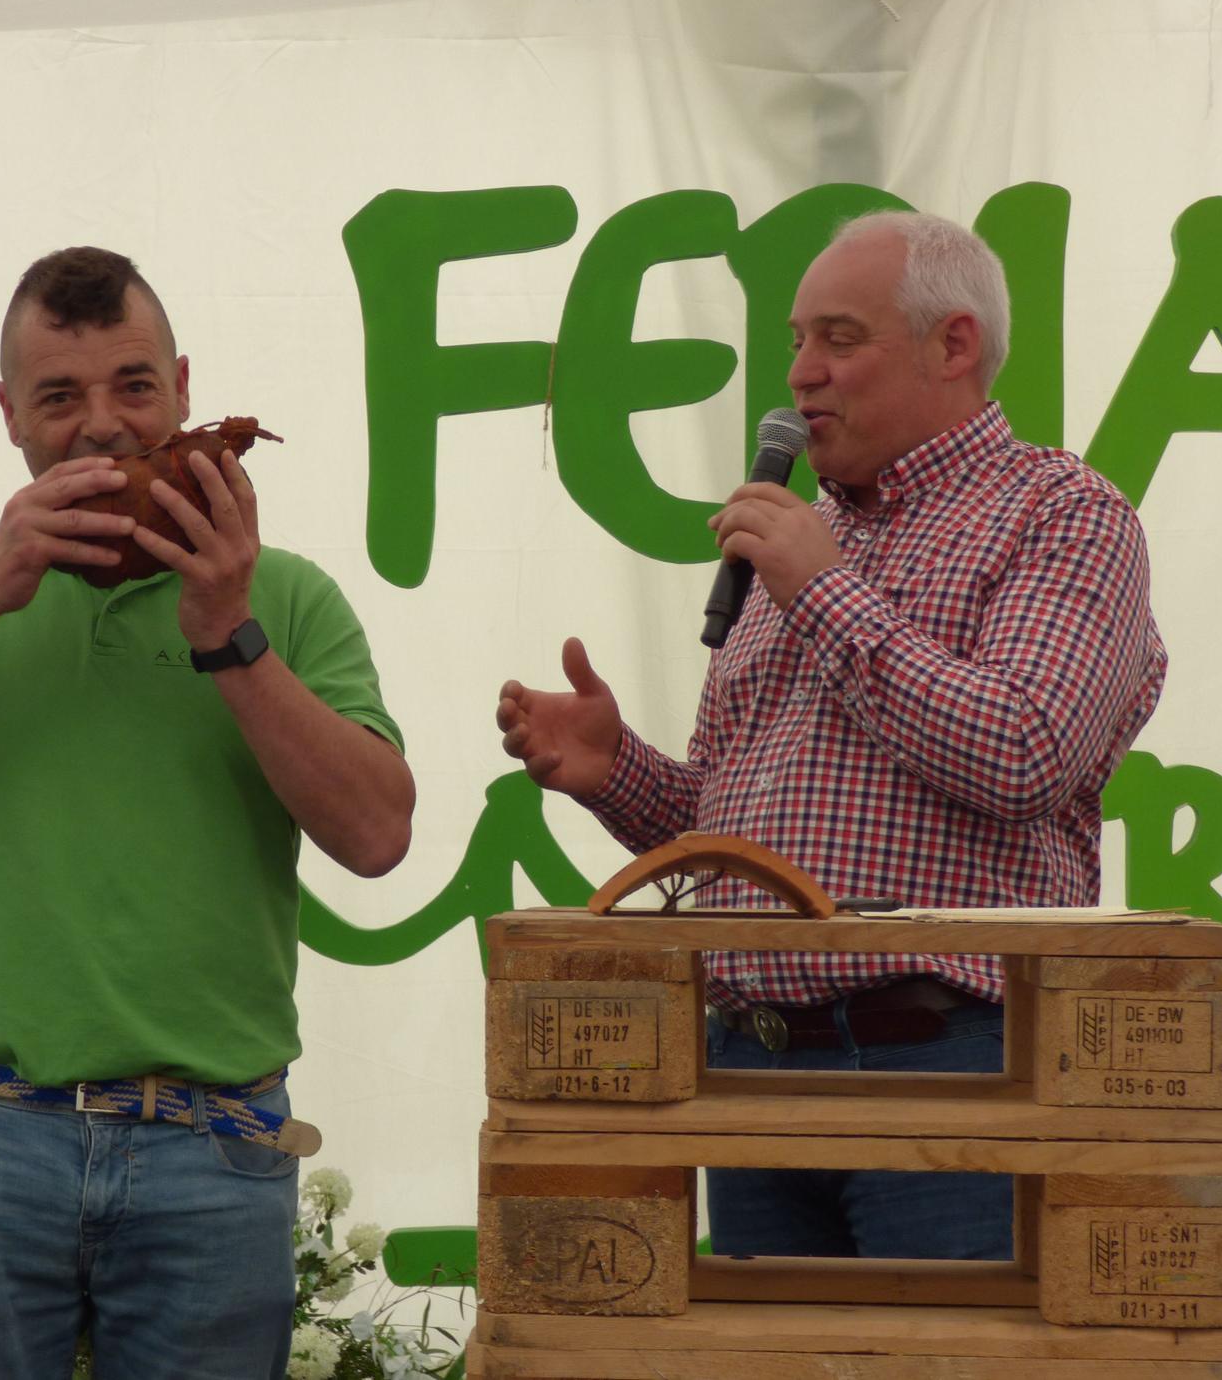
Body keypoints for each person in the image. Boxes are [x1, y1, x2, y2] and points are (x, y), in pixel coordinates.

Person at [0, 247, 414, 1380]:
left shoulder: (285, 595)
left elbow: (376, 836)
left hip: (211, 1144)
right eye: (59, 398)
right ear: (10, 417)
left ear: (182, 390)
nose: (102, 427)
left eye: (133, 387)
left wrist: (227, 629)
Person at [496, 210, 1165, 1262]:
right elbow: (749, 848)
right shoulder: (801, 547)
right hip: (749, 1069)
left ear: (952, 346)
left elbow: (1025, 752)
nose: (801, 375)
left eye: (839, 340)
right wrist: (613, 771)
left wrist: (823, 591)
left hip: (948, 1062)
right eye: (796, 341)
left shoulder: (1060, 512)